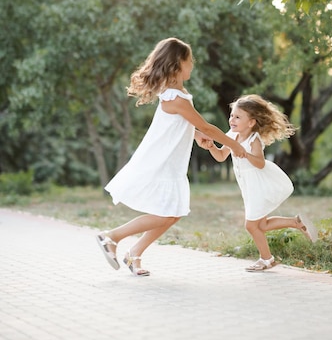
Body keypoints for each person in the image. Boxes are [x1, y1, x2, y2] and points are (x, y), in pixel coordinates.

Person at [96, 37, 246, 277]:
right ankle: (111, 237)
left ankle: (133, 253)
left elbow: (186, 125)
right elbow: (208, 127)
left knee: (174, 213)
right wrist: (233, 145)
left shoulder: (176, 94)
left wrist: (195, 135)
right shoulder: (175, 98)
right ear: (178, 64)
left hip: (171, 163)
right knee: (167, 213)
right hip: (163, 162)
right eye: (190, 60)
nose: (192, 65)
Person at [196, 94, 317, 272]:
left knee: (251, 225)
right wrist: (212, 147)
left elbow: (259, 163)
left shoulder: (254, 140)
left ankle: (267, 259)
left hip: (258, 185)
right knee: (261, 225)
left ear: (251, 122)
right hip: (248, 186)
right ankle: (296, 222)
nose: (232, 119)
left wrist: (245, 154)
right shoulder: (232, 135)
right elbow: (221, 156)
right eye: (231, 115)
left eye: (238, 117)